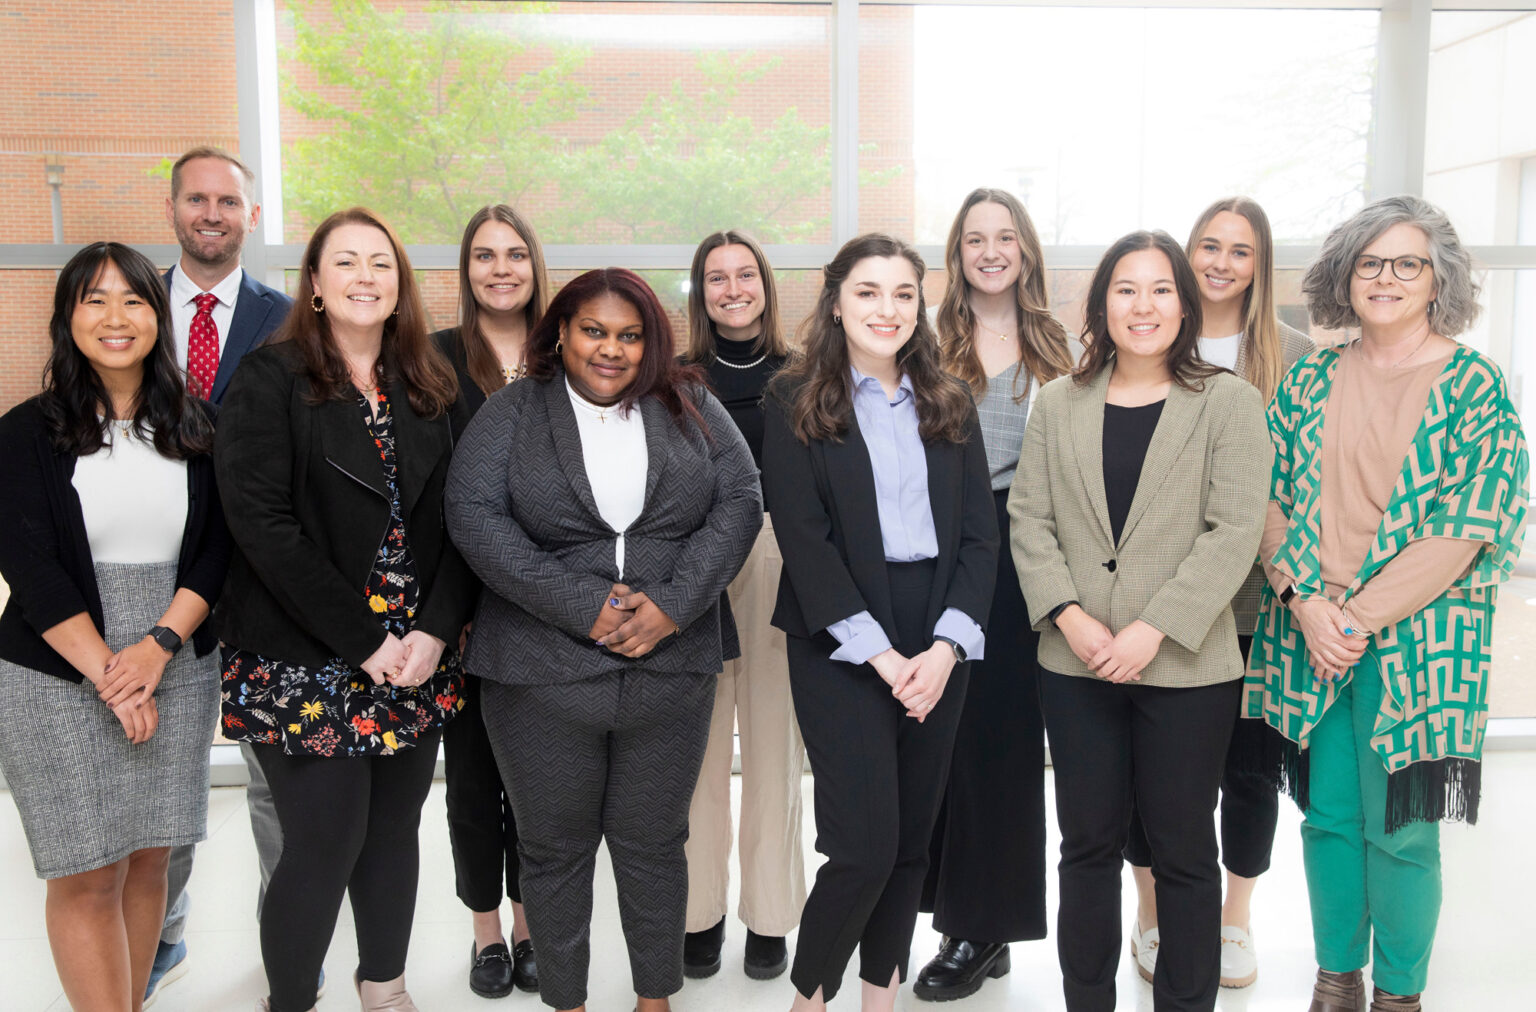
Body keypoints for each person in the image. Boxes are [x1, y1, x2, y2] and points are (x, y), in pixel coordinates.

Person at [444, 267, 762, 1012]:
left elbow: (742, 499)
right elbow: (473, 516)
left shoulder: (692, 404)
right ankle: (568, 1002)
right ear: (561, 331)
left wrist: (675, 606)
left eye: (630, 335)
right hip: (539, 677)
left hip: (670, 669)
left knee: (654, 848)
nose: (611, 350)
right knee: (553, 854)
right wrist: (583, 605)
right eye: (594, 331)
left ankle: (656, 1001)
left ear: (651, 341)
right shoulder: (513, 412)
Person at [1245, 196, 1528, 1012]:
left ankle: (1399, 994)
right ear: (1345, 276)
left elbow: (1469, 526)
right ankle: (1338, 978)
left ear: (1439, 279)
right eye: (1370, 262)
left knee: (1402, 830)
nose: (1387, 278)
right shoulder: (1311, 377)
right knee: (1327, 819)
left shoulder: (1476, 387)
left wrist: (1356, 618)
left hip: (1417, 641)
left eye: (1408, 263)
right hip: (1310, 630)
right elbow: (1268, 499)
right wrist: (1305, 604)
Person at [214, 207, 474, 1012]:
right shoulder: (270, 379)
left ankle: (385, 987)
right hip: (306, 653)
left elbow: (471, 519)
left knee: (395, 833)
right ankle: (290, 999)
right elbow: (262, 527)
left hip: (417, 655)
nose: (366, 277)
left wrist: (432, 632)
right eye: (347, 263)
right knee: (325, 841)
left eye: (382, 265)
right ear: (317, 286)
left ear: (400, 287)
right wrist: (367, 640)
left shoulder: (433, 384)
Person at [1009, 230, 1271, 1011]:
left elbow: (1235, 530)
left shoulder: (1229, 402)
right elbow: (1030, 520)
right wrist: (1071, 618)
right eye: (1126, 288)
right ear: (1101, 305)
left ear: (1186, 306)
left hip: (1187, 669)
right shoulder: (1058, 403)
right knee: (1086, 848)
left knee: (1185, 850)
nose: (1143, 305)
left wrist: (1151, 629)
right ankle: (1087, 998)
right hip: (1075, 664)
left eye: (1162, 289)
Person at [762, 233, 998, 1012]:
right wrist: (885, 659)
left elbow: (977, 537)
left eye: (903, 293)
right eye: (868, 292)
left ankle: (879, 999)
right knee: (862, 846)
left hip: (937, 627)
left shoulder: (951, 399)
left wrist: (943, 648)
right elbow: (804, 540)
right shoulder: (793, 398)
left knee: (907, 844)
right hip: (841, 634)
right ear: (835, 301)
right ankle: (810, 1000)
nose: (887, 309)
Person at [0, 242, 229, 1012]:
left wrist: (158, 649)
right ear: (68, 318)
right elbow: (28, 567)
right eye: (93, 300)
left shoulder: (201, 427)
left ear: (157, 316)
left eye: (132, 299)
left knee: (150, 858)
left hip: (177, 659)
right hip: (56, 669)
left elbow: (217, 552)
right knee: (88, 869)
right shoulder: (24, 432)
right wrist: (111, 673)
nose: (114, 317)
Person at [1122, 196, 1315, 990]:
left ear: (1261, 266)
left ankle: (1235, 919)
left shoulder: (1296, 356)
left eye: (1241, 250)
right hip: (1155, 599)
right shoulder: (1152, 337)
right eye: (1209, 245)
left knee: (1247, 767)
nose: (1222, 263)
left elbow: (1304, 481)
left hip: (1256, 603)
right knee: (1152, 771)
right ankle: (1153, 910)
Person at [915, 188, 1075, 1001]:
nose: (989, 251)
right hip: (944, 553)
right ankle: (972, 918)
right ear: (958, 252)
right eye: (974, 238)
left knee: (1002, 746)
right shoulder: (930, 341)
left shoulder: (1061, 346)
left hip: (1027, 559)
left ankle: (981, 927)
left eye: (1003, 236)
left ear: (1025, 249)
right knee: (944, 740)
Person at [153, 143, 293, 1006]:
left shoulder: (284, 321)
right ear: (173, 210)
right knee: (166, 780)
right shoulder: (131, 306)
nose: (211, 213)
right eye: (196, 199)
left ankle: (291, 935)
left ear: (250, 217)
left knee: (279, 784)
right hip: (155, 582)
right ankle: (160, 931)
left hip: (259, 581)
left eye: (227, 201)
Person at [679, 229, 805, 983]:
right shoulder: (675, 378)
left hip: (780, 557)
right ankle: (699, 913)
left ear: (765, 284)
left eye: (745, 274)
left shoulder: (804, 373)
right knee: (693, 750)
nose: (732, 288)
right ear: (701, 292)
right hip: (695, 558)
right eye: (716, 278)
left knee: (772, 746)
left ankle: (769, 915)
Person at [431, 203, 550, 999]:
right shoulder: (435, 359)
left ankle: (532, 924)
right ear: (466, 270)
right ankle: (485, 934)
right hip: (460, 601)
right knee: (473, 779)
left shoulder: (566, 354)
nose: (501, 268)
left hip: (549, 605)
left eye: (514, 254)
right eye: (484, 256)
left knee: (545, 781)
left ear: (535, 266)